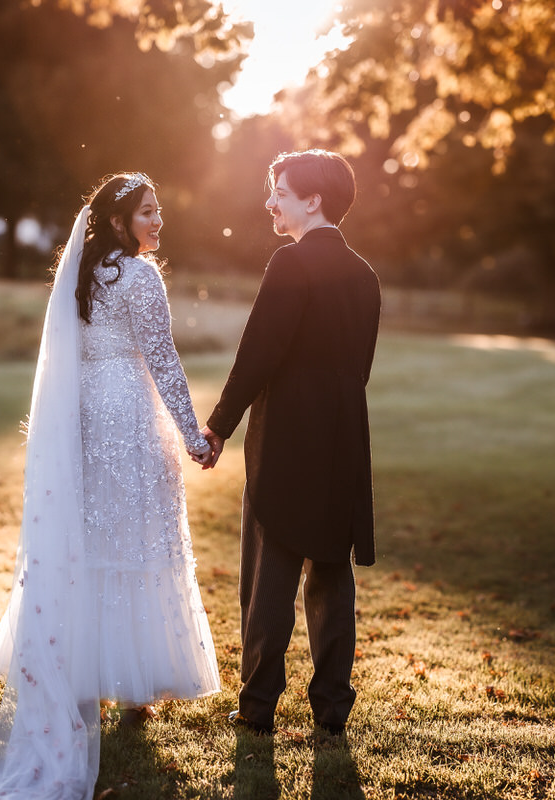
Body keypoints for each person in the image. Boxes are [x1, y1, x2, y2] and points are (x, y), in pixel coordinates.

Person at [0, 173, 221, 800]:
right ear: (117, 221)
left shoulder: (83, 275)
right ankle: (134, 687)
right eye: (149, 213)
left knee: (96, 544)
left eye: (159, 211)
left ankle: (90, 676)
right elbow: (162, 358)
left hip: (85, 419)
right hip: (130, 416)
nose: (159, 223)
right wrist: (193, 434)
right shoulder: (140, 277)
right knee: (138, 543)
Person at [201, 150, 381, 737]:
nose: (271, 202)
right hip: (344, 438)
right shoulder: (366, 277)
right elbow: (361, 367)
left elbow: (258, 355)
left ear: (313, 200)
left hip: (286, 441)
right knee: (331, 572)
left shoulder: (290, 264)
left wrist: (219, 425)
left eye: (280, 190)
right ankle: (332, 711)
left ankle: (257, 709)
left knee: (270, 573)